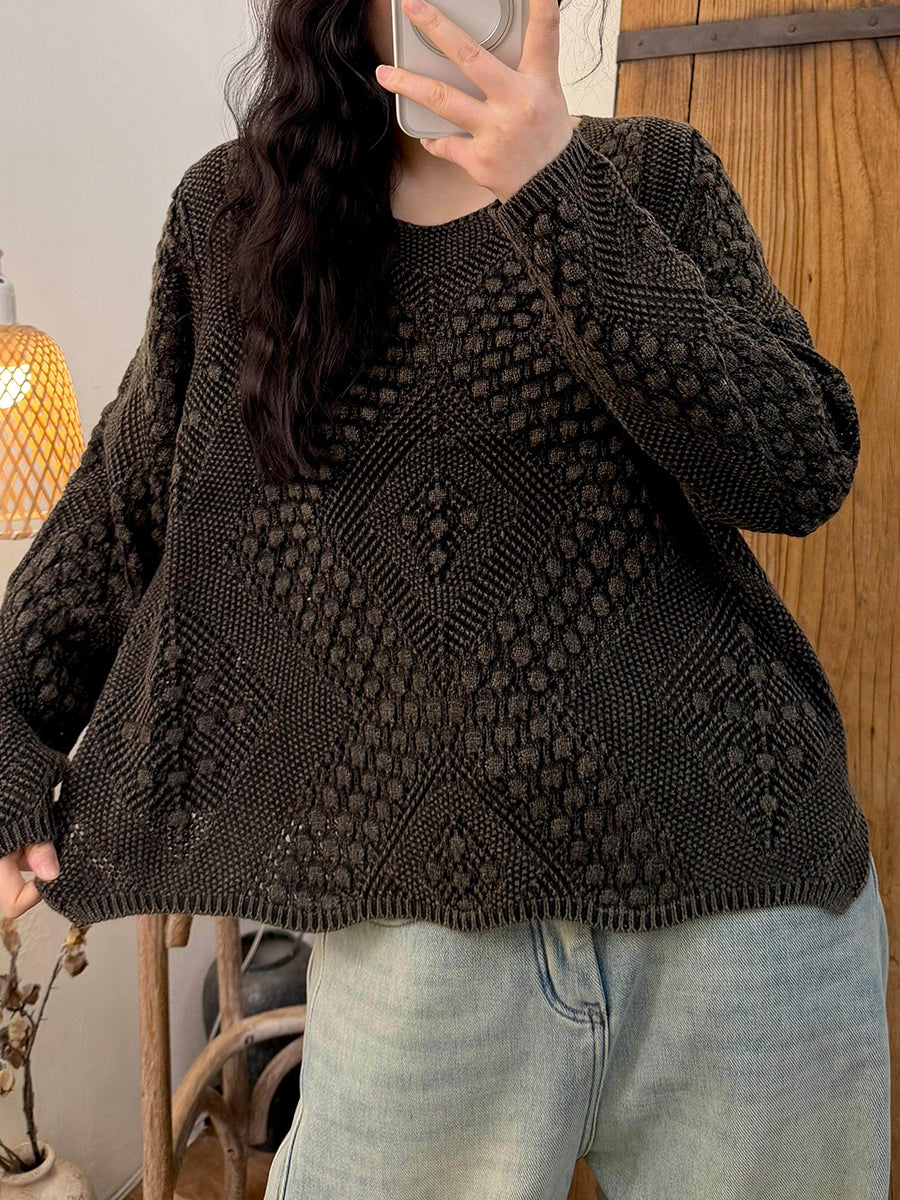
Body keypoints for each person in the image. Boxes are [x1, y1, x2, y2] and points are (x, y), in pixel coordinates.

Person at [0, 0, 889, 1195]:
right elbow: (119, 520)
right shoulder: (234, 223)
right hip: (415, 938)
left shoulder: (653, 176)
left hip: (739, 908)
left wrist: (558, 192)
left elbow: (799, 465)